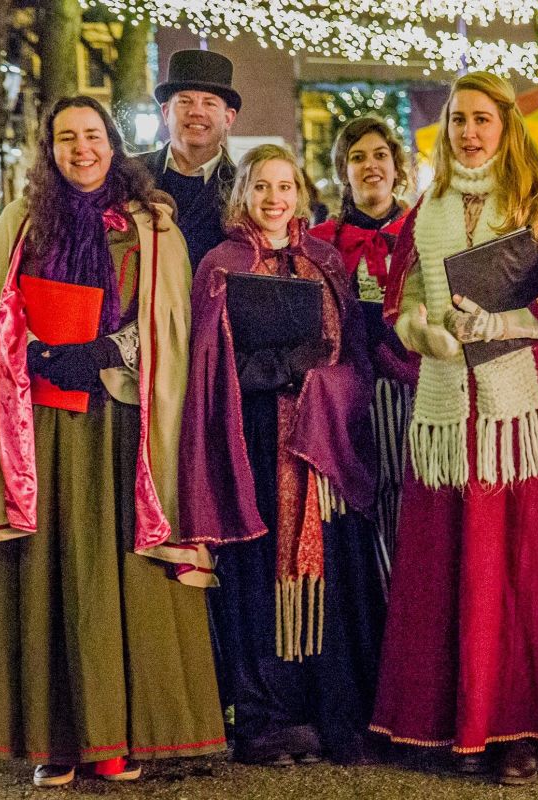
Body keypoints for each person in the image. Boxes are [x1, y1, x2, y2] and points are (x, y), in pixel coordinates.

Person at [0, 96, 225, 787]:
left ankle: (119, 738)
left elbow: (171, 324)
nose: (80, 149)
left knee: (120, 575)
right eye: (66, 139)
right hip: (40, 431)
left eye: (92, 136)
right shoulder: (23, 222)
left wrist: (105, 351)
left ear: (113, 145)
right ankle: (54, 740)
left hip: (123, 426)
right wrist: (28, 348)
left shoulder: (153, 227)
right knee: (45, 575)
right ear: (49, 149)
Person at [369, 71, 538, 786]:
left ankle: (522, 725)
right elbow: (407, 295)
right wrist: (420, 330)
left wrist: (505, 323)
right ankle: (448, 715)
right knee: (445, 561)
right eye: (457, 121)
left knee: (530, 569)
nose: (469, 132)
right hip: (449, 407)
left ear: (508, 125)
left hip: (526, 410)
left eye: (481, 119)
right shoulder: (428, 207)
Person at [178, 144, 384, 766]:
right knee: (259, 580)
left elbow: (354, 355)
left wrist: (325, 380)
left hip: (322, 447)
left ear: (300, 191)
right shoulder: (220, 265)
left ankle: (336, 709)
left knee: (336, 578)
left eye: (286, 186)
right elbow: (208, 369)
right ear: (243, 193)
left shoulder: (324, 261)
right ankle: (268, 718)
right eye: (262, 186)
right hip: (257, 446)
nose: (275, 199)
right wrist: (270, 369)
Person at [309, 116, 417, 570]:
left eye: (380, 155)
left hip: (416, 389)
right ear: (343, 172)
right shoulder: (318, 245)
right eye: (357, 158)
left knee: (413, 506)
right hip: (350, 396)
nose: (370, 166)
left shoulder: (425, 231)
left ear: (397, 167)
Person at [136, 49, 240, 269]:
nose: (196, 112)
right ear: (165, 113)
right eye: (184, 101)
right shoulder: (130, 174)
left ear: (228, 118)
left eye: (210, 103)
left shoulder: (243, 188)